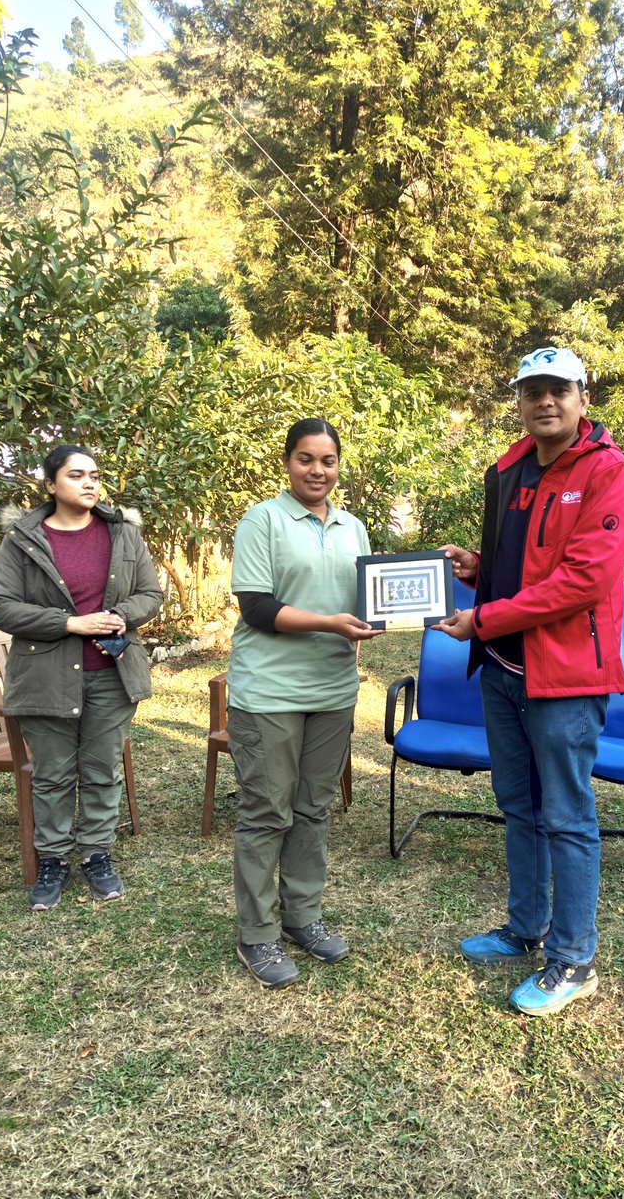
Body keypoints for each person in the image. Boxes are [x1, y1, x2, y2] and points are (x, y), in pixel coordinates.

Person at [435, 346, 624, 1016]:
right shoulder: (514, 468)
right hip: (504, 670)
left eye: (559, 389)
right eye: (532, 391)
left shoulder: (608, 475)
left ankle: (574, 959)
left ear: (583, 399)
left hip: (567, 678)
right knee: (518, 805)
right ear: (519, 401)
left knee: (568, 816)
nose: (545, 401)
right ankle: (525, 929)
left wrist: (485, 617)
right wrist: (478, 568)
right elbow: (522, 560)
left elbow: (582, 580)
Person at [226, 418, 382, 990]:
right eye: (306, 459)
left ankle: (303, 917)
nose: (318, 470)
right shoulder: (262, 519)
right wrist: (330, 623)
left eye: (329, 460)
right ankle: (257, 934)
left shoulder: (353, 527)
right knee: (268, 810)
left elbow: (369, 598)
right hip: (269, 691)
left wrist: (380, 616)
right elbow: (257, 608)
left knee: (313, 809)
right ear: (287, 463)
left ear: (339, 465)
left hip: (333, 690)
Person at [0, 445, 163, 911]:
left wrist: (118, 616)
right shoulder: (23, 539)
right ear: (49, 485)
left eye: (95, 475)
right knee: (52, 775)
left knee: (102, 771)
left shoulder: (122, 533)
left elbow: (150, 593)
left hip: (112, 674)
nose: (89, 483)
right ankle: (53, 861)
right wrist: (70, 624)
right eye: (76, 475)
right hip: (45, 676)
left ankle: (98, 855)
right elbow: (0, 607)